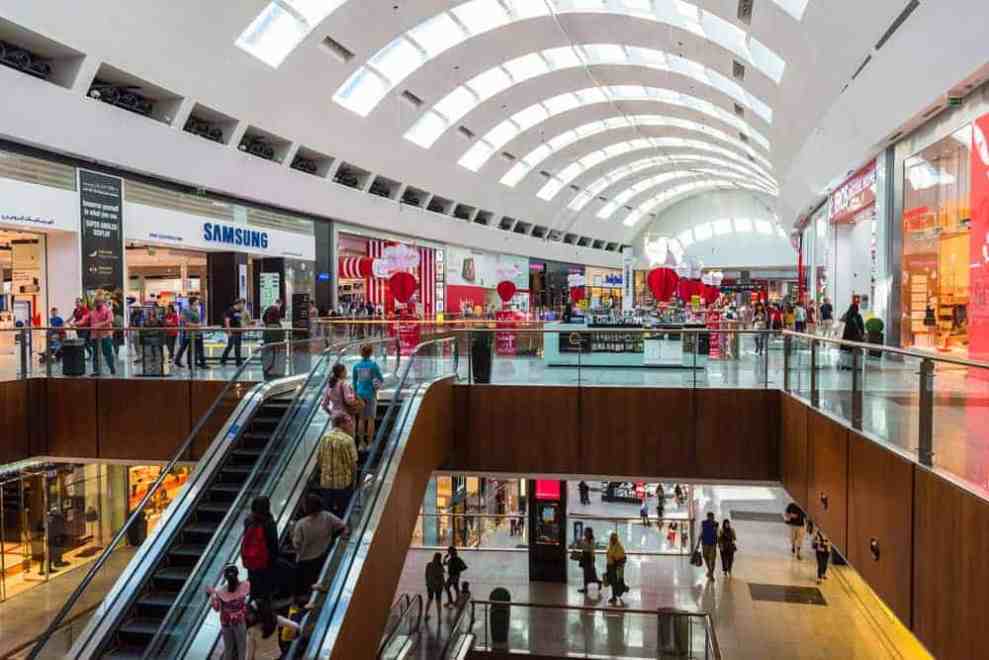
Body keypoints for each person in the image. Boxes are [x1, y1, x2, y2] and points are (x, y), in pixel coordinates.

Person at [292, 493, 346, 596]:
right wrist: (331, 537)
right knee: (314, 575)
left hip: (304, 559)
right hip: (321, 554)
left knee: (300, 583)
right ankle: (314, 587)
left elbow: (296, 544)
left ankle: (299, 604)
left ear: (306, 507)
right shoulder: (327, 516)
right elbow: (342, 526)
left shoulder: (301, 524)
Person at [241, 496, 279, 609]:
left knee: (253, 585)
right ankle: (264, 609)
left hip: (251, 560)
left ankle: (252, 607)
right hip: (265, 562)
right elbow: (273, 545)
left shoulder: (248, 520)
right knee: (265, 588)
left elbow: (245, 539)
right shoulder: (269, 523)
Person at [318, 412, 358, 517]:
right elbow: (353, 464)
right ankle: (342, 531)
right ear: (341, 424)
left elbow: (319, 458)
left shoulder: (325, 437)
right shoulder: (347, 440)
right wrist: (354, 481)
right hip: (343, 484)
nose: (352, 424)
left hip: (326, 483)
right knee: (343, 512)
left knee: (326, 511)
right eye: (349, 421)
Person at [207, 565, 251, 660]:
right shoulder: (246, 585)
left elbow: (217, 608)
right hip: (239, 621)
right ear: (237, 574)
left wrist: (212, 596)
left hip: (225, 622)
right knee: (242, 648)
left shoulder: (220, 592)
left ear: (225, 577)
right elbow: (249, 600)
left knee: (228, 648)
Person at [352, 344, 384, 451]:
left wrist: (356, 394)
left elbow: (354, 382)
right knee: (371, 419)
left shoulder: (356, 366)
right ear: (371, 353)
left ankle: (361, 444)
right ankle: (370, 443)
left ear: (360, 353)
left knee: (361, 419)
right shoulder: (373, 365)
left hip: (360, 395)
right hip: (371, 394)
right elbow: (380, 378)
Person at [175, 297, 207, 368]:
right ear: (193, 302)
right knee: (188, 347)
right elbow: (186, 322)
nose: (198, 302)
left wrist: (200, 325)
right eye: (197, 301)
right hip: (190, 333)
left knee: (196, 348)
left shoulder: (196, 309)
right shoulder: (186, 310)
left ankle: (196, 363)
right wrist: (197, 325)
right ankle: (191, 363)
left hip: (197, 332)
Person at [89, 296, 116, 376]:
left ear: (102, 302)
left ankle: (112, 368)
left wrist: (100, 324)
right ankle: (96, 370)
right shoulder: (92, 312)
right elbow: (86, 319)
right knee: (95, 354)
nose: (97, 303)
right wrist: (76, 323)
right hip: (95, 336)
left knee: (107, 353)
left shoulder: (107, 310)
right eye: (96, 302)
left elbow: (110, 320)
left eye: (99, 302)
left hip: (105, 335)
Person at [221, 298, 247, 367]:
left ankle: (238, 362)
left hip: (238, 331)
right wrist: (229, 331)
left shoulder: (239, 311)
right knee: (230, 346)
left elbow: (240, 321)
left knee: (238, 346)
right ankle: (223, 360)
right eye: (242, 304)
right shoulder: (231, 310)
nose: (243, 305)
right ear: (239, 304)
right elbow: (227, 321)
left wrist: (243, 328)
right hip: (232, 331)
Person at [577, 527, 602, 594]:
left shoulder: (591, 541)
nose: (584, 532)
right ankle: (586, 587)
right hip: (584, 557)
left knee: (590, 574)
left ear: (589, 533)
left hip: (589, 558)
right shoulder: (584, 539)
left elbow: (591, 552)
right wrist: (579, 542)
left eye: (586, 531)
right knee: (586, 574)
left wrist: (591, 562)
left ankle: (597, 583)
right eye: (584, 531)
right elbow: (581, 547)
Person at [606, 532, 628, 606]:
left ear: (616, 538)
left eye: (614, 538)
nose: (612, 539)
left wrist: (615, 560)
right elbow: (609, 554)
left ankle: (614, 596)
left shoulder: (619, 546)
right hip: (610, 566)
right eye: (612, 538)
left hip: (615, 567)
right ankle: (616, 594)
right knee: (613, 582)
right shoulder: (610, 545)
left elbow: (622, 557)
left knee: (615, 582)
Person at [425, 552, 445, 621]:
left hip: (430, 585)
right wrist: (443, 584)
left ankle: (426, 614)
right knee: (438, 601)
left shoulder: (429, 565)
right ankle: (439, 618)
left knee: (429, 599)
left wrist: (427, 583)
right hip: (438, 586)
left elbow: (426, 575)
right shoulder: (440, 566)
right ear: (440, 558)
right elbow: (442, 576)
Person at [700, 512, 719, 580]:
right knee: (705, 557)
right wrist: (698, 543)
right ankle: (710, 571)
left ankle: (711, 574)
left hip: (713, 544)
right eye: (710, 517)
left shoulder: (716, 523)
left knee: (713, 560)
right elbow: (701, 532)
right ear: (707, 517)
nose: (711, 518)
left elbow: (717, 533)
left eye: (712, 517)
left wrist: (719, 543)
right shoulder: (703, 523)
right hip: (704, 543)